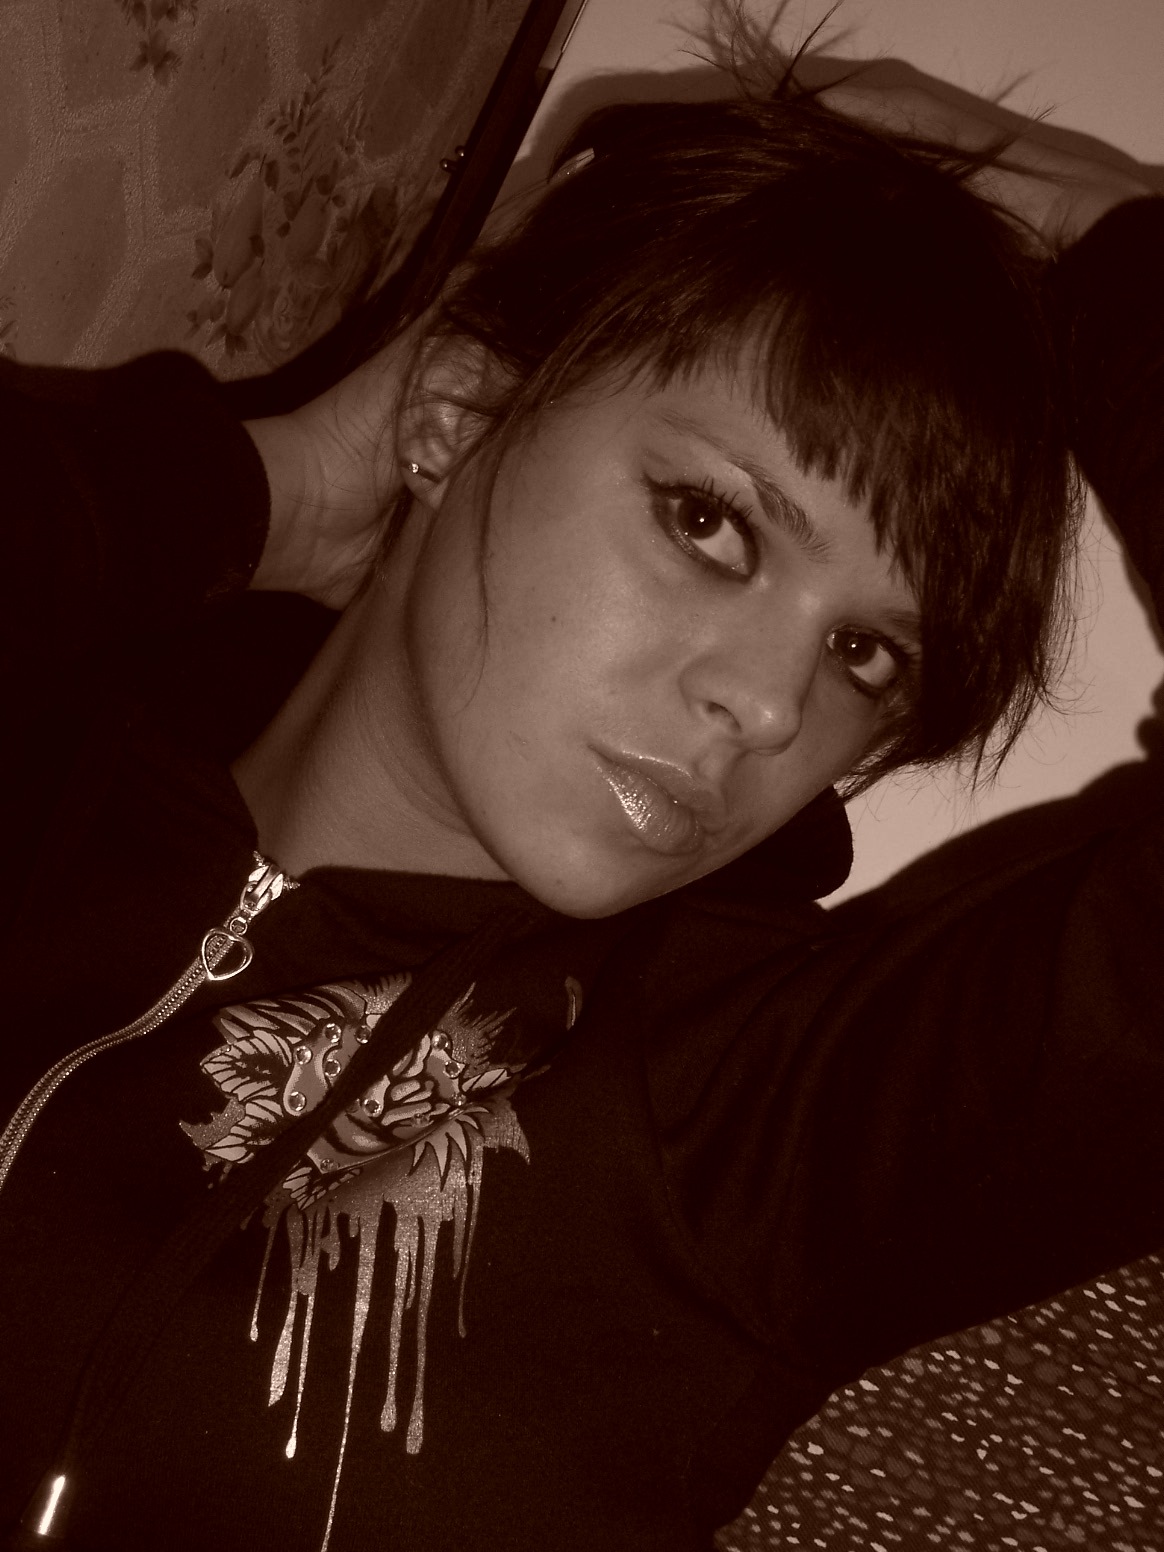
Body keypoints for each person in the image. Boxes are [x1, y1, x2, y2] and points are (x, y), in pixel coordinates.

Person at [0, 48, 1162, 1552]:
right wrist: (264, 493)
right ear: (456, 415)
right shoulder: (52, 725)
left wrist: (1106, 238)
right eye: (711, 524)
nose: (772, 708)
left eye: (865, 655)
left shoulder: (746, 1121)